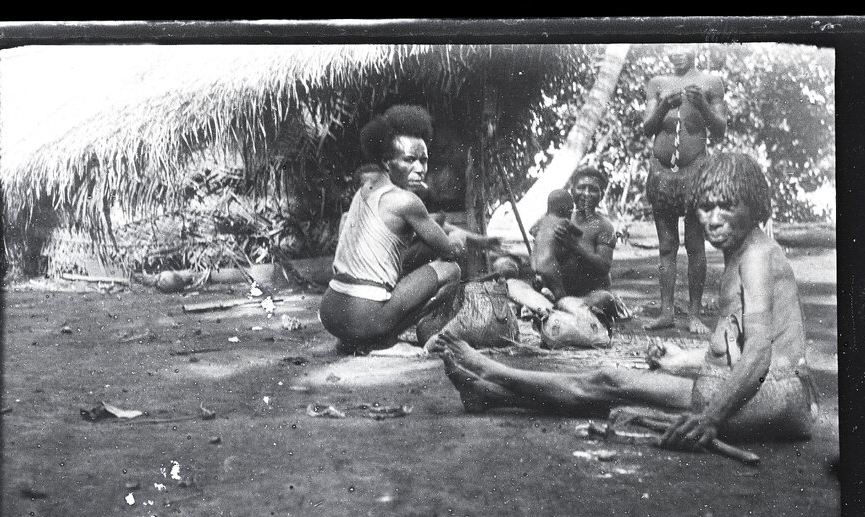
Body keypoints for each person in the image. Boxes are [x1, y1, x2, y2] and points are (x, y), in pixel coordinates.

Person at [436, 152, 819, 451]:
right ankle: (489, 390)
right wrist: (683, 361)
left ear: (753, 205)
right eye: (705, 208)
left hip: (775, 401)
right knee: (615, 388)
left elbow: (759, 352)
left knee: (610, 381)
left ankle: (489, 373)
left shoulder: (755, 256)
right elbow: (739, 343)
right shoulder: (747, 249)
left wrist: (712, 419)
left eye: (727, 207)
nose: (713, 219)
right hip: (773, 399)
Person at [319, 105, 465, 353]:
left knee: (408, 264)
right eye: (409, 160)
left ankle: (355, 340)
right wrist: (459, 236)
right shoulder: (406, 202)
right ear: (387, 162)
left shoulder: (368, 186)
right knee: (451, 270)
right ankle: (383, 342)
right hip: (363, 317)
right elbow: (450, 250)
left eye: (424, 160)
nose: (419, 168)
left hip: (331, 313)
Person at [642, 44, 728, 334]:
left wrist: (702, 104)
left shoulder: (710, 83)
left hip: (695, 172)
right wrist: (664, 106)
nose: (676, 53)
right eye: (671, 48)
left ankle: (694, 314)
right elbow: (647, 127)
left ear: (694, 48)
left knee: (694, 245)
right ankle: (666, 312)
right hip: (661, 173)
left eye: (682, 47)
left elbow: (719, 129)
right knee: (666, 246)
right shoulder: (657, 84)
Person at [530, 167, 617, 301]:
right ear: (572, 191)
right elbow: (538, 249)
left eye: (593, 189)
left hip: (590, 293)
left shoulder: (605, 227)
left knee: (604, 298)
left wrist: (573, 246)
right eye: (581, 187)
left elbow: (603, 267)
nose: (586, 194)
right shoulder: (557, 217)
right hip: (559, 289)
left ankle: (569, 305)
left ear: (602, 194)